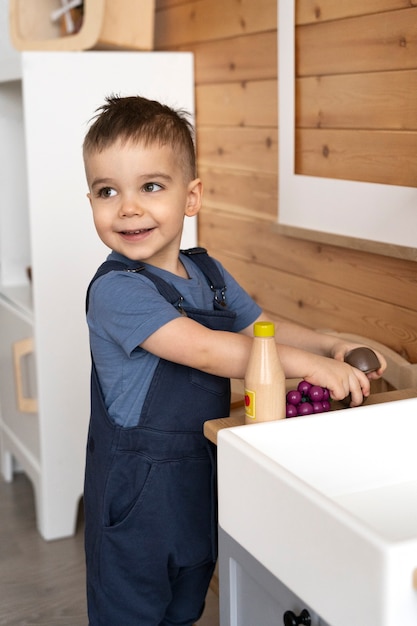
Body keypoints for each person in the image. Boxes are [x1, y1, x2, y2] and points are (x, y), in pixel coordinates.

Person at [82, 95, 386, 626]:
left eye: (151, 186)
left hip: (199, 480)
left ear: (191, 196)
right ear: (91, 201)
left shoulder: (210, 275)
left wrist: (327, 346)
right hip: (137, 499)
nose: (128, 207)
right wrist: (308, 368)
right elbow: (205, 348)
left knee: (185, 604)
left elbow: (260, 328)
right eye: (108, 191)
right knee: (132, 611)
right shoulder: (116, 292)